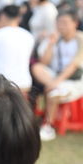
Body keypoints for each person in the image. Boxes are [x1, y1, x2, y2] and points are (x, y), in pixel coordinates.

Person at [32, 9, 83, 141]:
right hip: (53, 77)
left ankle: (48, 125)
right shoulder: (54, 38)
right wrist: (50, 44)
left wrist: (56, 82)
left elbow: (74, 65)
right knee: (37, 67)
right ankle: (53, 89)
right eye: (59, 23)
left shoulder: (80, 39)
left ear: (75, 23)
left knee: (53, 93)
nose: (61, 26)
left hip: (74, 80)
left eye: (65, 23)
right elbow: (43, 62)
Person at [0, 5, 35, 94]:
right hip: (24, 83)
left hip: (0, 83)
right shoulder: (29, 36)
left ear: (2, 16)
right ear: (19, 18)